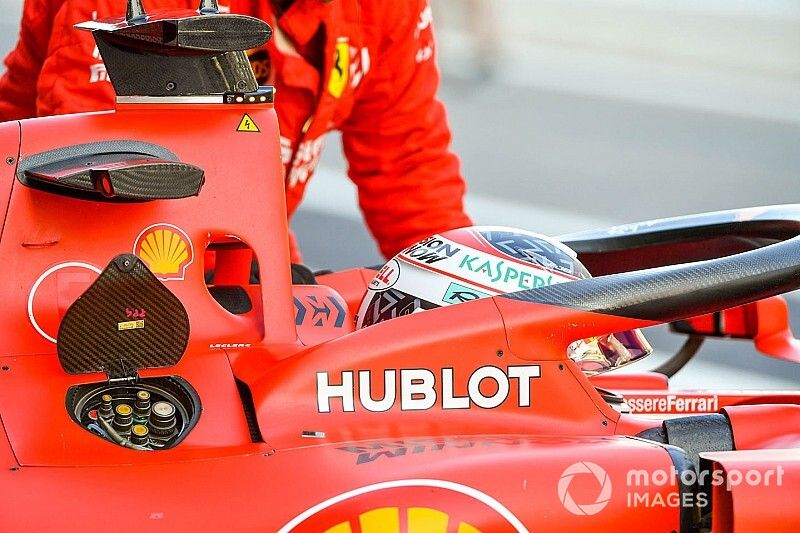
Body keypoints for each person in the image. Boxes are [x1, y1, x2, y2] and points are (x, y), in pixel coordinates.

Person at [0, 0, 472, 263]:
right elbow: (104, 175)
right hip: (47, 255)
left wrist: (467, 287)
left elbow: (411, 172)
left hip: (230, 263)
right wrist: (269, 273)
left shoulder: (389, 10)